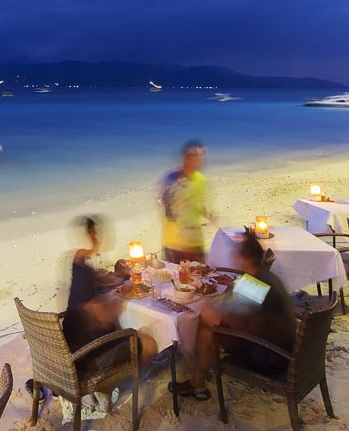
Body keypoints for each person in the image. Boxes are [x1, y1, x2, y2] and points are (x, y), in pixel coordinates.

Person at [173, 234, 296, 401]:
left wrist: (207, 311)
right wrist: (233, 284)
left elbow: (240, 323)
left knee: (207, 319)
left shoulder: (256, 286)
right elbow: (257, 301)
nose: (234, 258)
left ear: (245, 258)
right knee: (210, 325)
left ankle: (196, 378)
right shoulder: (267, 277)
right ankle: (198, 380)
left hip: (269, 359)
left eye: (236, 255)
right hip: (283, 352)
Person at [63, 217, 158, 379]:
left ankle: (129, 367)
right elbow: (105, 319)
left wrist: (115, 276)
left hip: (70, 347)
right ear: (91, 237)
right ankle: (128, 382)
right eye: (98, 234)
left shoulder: (76, 262)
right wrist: (127, 294)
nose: (103, 237)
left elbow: (92, 273)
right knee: (148, 341)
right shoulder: (84, 281)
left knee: (128, 329)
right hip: (87, 359)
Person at [159, 140, 210, 263]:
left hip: (195, 242)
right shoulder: (170, 179)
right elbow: (166, 207)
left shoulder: (201, 180)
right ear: (185, 157)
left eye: (201, 155)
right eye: (195, 155)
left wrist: (209, 214)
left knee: (202, 278)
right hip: (174, 244)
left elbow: (198, 204)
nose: (199, 158)